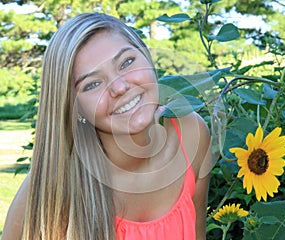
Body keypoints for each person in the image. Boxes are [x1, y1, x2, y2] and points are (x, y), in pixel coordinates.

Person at [2, 12, 211, 240]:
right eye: (92, 84)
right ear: (75, 109)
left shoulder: (191, 134)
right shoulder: (53, 183)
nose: (119, 87)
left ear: (147, 57)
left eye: (127, 62)